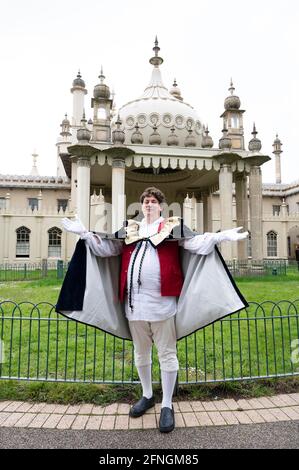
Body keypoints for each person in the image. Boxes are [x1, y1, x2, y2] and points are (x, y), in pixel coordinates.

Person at [57, 186, 248, 433]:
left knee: (167, 354)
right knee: (140, 354)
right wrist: (84, 233)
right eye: (145, 201)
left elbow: (196, 244)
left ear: (160, 206)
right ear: (141, 206)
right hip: (133, 307)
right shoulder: (129, 230)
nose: (148, 204)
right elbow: (105, 249)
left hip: (163, 306)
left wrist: (219, 237)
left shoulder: (171, 228)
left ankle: (167, 404)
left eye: (153, 201)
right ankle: (147, 395)